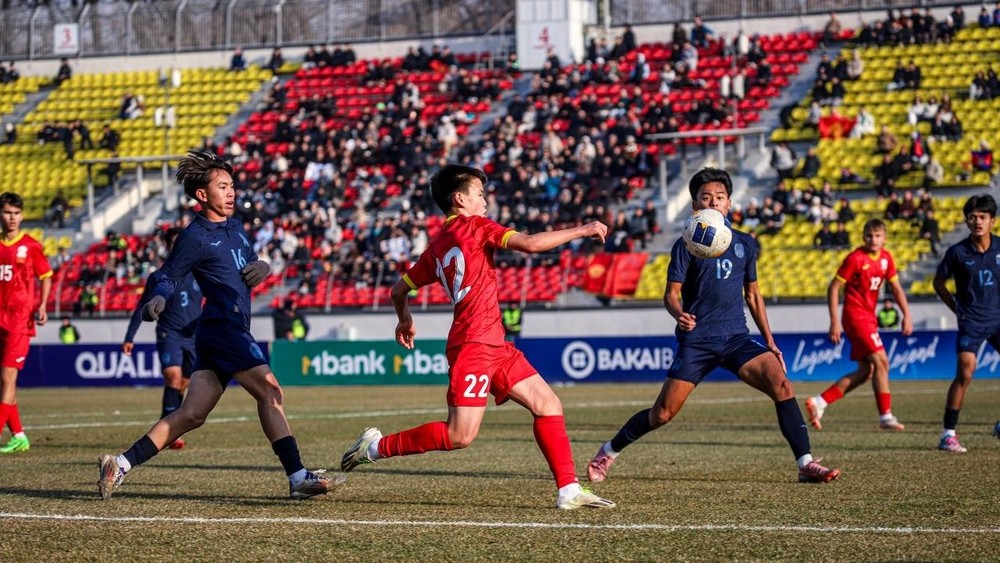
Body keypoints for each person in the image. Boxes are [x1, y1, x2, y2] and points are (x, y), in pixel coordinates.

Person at [339, 164, 615, 510]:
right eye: (479, 194)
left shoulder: (436, 246)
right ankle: (375, 447)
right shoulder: (475, 226)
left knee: (548, 405)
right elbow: (529, 244)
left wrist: (405, 320)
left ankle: (569, 490)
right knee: (460, 435)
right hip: (473, 343)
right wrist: (583, 229)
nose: (485, 201)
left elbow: (398, 290)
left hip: (493, 343)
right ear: (459, 199)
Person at [97, 150, 341, 500]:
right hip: (225, 327)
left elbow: (247, 261)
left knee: (192, 414)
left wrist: (263, 266)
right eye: (223, 186)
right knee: (270, 391)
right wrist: (159, 298)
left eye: (232, 186)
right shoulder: (194, 236)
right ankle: (297, 475)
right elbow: (167, 275)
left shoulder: (235, 226)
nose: (232, 192)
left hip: (215, 330)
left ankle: (119, 464)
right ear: (202, 194)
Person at [587, 168, 841, 485]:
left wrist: (770, 342)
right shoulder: (686, 245)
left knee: (782, 385)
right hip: (698, 341)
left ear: (729, 203)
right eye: (706, 198)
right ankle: (609, 451)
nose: (713, 202)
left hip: (736, 339)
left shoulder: (745, 243)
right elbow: (671, 295)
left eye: (719, 197)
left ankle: (805, 463)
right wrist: (679, 312)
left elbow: (753, 295)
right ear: (696, 203)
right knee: (662, 414)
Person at [805, 219, 912, 432]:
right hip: (855, 316)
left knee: (866, 371)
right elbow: (834, 288)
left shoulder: (886, 259)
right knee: (882, 361)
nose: (873, 240)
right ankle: (886, 416)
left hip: (868, 317)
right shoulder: (855, 258)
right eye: (869, 236)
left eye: (878, 236)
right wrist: (834, 321)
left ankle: (820, 402)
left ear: (885, 238)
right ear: (863, 237)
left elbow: (897, 288)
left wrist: (906, 314)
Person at [122, 227, 202, 450]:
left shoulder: (200, 272)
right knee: (173, 378)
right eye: (174, 242)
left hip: (194, 336)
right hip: (170, 334)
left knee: (184, 384)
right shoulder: (159, 276)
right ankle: (170, 434)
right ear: (168, 246)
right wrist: (130, 337)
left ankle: (167, 424)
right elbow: (142, 306)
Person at [932, 195, 1000, 453]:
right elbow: (938, 283)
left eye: (982, 217)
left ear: (992, 221)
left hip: (998, 318)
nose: (977, 221)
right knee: (965, 373)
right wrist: (956, 308)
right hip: (971, 321)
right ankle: (948, 435)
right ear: (966, 220)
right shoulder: (957, 252)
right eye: (972, 217)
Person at [0, 192, 53, 454]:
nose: (12, 218)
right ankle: (19, 435)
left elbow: (46, 276)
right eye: (8, 212)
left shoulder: (30, 245)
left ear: (22, 216)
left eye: (16, 213)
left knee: (7, 378)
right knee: (4, 383)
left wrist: (41, 305)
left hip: (19, 319)